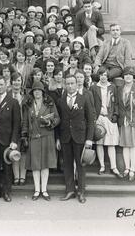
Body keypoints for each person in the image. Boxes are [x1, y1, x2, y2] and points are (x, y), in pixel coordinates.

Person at [56, 74, 94, 204]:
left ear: (77, 84)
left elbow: (90, 120)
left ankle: (81, 192)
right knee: (67, 165)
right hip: (65, 137)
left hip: (80, 137)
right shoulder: (61, 101)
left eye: (73, 83)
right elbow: (58, 121)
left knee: (80, 165)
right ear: (65, 85)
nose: (70, 86)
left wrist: (89, 139)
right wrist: (57, 139)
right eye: (68, 84)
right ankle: (70, 190)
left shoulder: (84, 99)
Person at [22, 81, 60, 200]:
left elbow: (57, 118)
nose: (37, 92)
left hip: (47, 136)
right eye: (35, 91)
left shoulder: (49, 103)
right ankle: (37, 190)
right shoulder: (28, 104)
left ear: (43, 92)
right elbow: (25, 122)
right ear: (32, 92)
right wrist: (24, 136)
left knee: (45, 165)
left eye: (39, 90)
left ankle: (44, 190)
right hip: (33, 137)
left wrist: (50, 122)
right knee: (35, 165)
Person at [91, 68, 122, 177]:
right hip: (99, 117)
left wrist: (115, 115)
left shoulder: (112, 87)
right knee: (99, 142)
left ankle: (114, 167)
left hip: (110, 118)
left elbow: (116, 103)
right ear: (98, 76)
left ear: (108, 76)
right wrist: (94, 118)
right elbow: (91, 104)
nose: (103, 77)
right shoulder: (94, 87)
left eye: (105, 75)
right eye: (101, 75)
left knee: (111, 143)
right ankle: (102, 166)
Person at [10, 73, 28, 186]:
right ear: (11, 82)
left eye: (19, 80)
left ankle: (23, 176)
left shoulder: (25, 97)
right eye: (15, 80)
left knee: (24, 151)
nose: (17, 83)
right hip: (11, 127)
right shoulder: (8, 96)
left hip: (24, 127)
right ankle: (16, 176)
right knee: (14, 150)